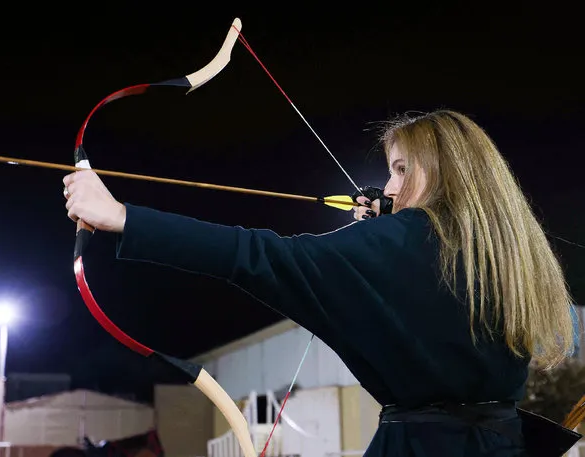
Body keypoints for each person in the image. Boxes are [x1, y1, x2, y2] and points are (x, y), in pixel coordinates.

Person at [62, 110, 575, 456]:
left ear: (440, 172)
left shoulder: (401, 239)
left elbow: (260, 257)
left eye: (399, 170)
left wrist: (122, 216)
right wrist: (379, 233)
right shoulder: (510, 252)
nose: (390, 186)